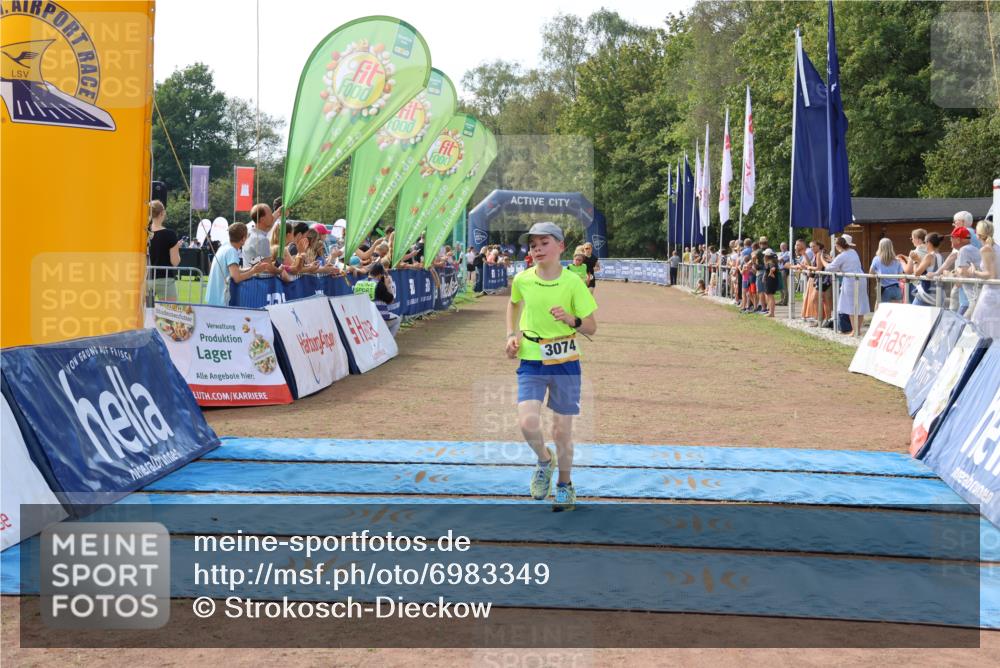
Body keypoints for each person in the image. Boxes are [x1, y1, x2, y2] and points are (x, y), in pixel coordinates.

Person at [506, 222, 597, 512]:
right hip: (531, 359)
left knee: (561, 432)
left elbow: (592, 327)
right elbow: (513, 304)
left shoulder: (573, 283)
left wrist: (571, 319)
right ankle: (545, 461)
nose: (537, 248)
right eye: (533, 244)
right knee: (526, 422)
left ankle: (565, 485)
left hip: (565, 362)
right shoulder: (522, 279)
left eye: (544, 243)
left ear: (561, 246)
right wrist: (511, 336)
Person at [817, 234, 869, 334]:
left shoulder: (842, 255)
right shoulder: (853, 252)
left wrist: (822, 259)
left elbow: (829, 268)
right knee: (860, 304)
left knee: (851, 306)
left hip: (851, 281)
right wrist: (833, 261)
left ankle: (855, 330)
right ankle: (857, 329)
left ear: (840, 245)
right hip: (861, 279)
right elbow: (845, 264)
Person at [205, 223, 267, 306]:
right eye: (247, 236)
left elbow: (234, 271)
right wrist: (253, 271)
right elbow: (237, 278)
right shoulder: (231, 251)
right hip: (221, 301)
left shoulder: (224, 247)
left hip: (214, 299)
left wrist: (252, 268)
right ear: (243, 239)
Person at [963, 220, 1000, 338]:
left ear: (978, 235)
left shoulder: (986, 249)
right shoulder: (997, 247)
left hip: (990, 294)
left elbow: (991, 275)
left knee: (980, 329)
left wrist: (974, 272)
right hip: (995, 293)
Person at [146, 200, 182, 301]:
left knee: (145, 315)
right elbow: (175, 262)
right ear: (162, 213)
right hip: (165, 279)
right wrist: (177, 248)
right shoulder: (170, 234)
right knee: (170, 315)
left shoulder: (143, 232)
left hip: (146, 279)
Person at [905, 232, 944, 306]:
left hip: (926, 294)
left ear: (928, 243)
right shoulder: (940, 256)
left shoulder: (929, 256)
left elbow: (916, 273)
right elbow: (929, 269)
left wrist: (915, 260)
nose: (924, 245)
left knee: (912, 315)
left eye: (925, 242)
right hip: (938, 293)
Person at [869, 238, 905, 304]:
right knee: (896, 311)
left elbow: (871, 272)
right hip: (896, 289)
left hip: (884, 289)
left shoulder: (876, 259)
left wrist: (878, 274)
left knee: (882, 311)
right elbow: (900, 276)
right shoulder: (897, 261)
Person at [763, 249, 779, 317]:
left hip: (770, 280)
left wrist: (771, 272)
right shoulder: (771, 261)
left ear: (767, 256)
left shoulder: (771, 262)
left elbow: (773, 268)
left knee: (770, 296)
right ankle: (770, 311)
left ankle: (771, 313)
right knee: (769, 296)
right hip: (769, 280)